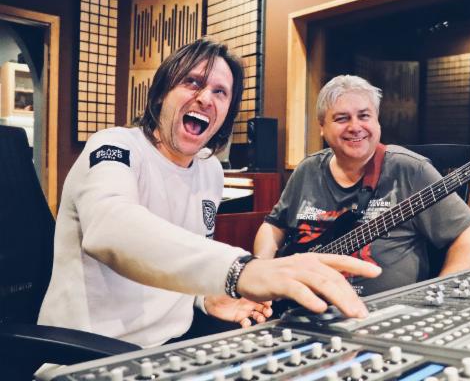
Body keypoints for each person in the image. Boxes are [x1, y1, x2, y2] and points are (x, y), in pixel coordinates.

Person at [38, 40, 381, 349]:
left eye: (220, 92)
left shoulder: (210, 170)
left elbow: (169, 260)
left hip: (173, 346)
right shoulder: (114, 146)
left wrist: (204, 298)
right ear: (161, 93)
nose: (205, 98)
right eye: (192, 82)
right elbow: (110, 228)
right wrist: (240, 270)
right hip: (85, 351)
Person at [254, 75, 470, 298]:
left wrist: (444, 291)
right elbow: (273, 226)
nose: (355, 127)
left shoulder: (411, 170)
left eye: (364, 116)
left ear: (377, 121)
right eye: (342, 118)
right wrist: (261, 273)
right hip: (302, 306)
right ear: (322, 126)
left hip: (385, 313)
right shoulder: (308, 169)